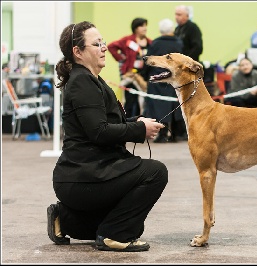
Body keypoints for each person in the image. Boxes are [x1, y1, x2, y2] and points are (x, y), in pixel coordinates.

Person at [48, 21, 168, 252]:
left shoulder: (88, 79)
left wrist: (137, 123)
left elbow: (104, 124)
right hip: (85, 175)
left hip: (84, 175)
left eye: (103, 43)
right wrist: (139, 131)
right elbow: (99, 132)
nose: (104, 48)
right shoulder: (83, 81)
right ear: (78, 52)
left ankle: (64, 218)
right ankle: (115, 236)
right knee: (155, 172)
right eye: (97, 44)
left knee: (117, 220)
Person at [142, 18, 186, 143]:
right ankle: (177, 134)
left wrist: (146, 76)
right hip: (173, 78)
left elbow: (148, 62)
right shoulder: (179, 43)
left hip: (158, 78)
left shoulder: (155, 43)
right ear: (172, 29)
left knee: (158, 107)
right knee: (175, 105)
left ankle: (161, 134)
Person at [107, 18, 152, 118]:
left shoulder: (150, 42)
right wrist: (121, 58)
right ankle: (128, 124)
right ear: (135, 28)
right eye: (142, 26)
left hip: (144, 76)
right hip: (131, 75)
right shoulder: (127, 40)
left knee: (144, 102)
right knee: (130, 102)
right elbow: (111, 47)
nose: (145, 28)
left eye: (145, 25)